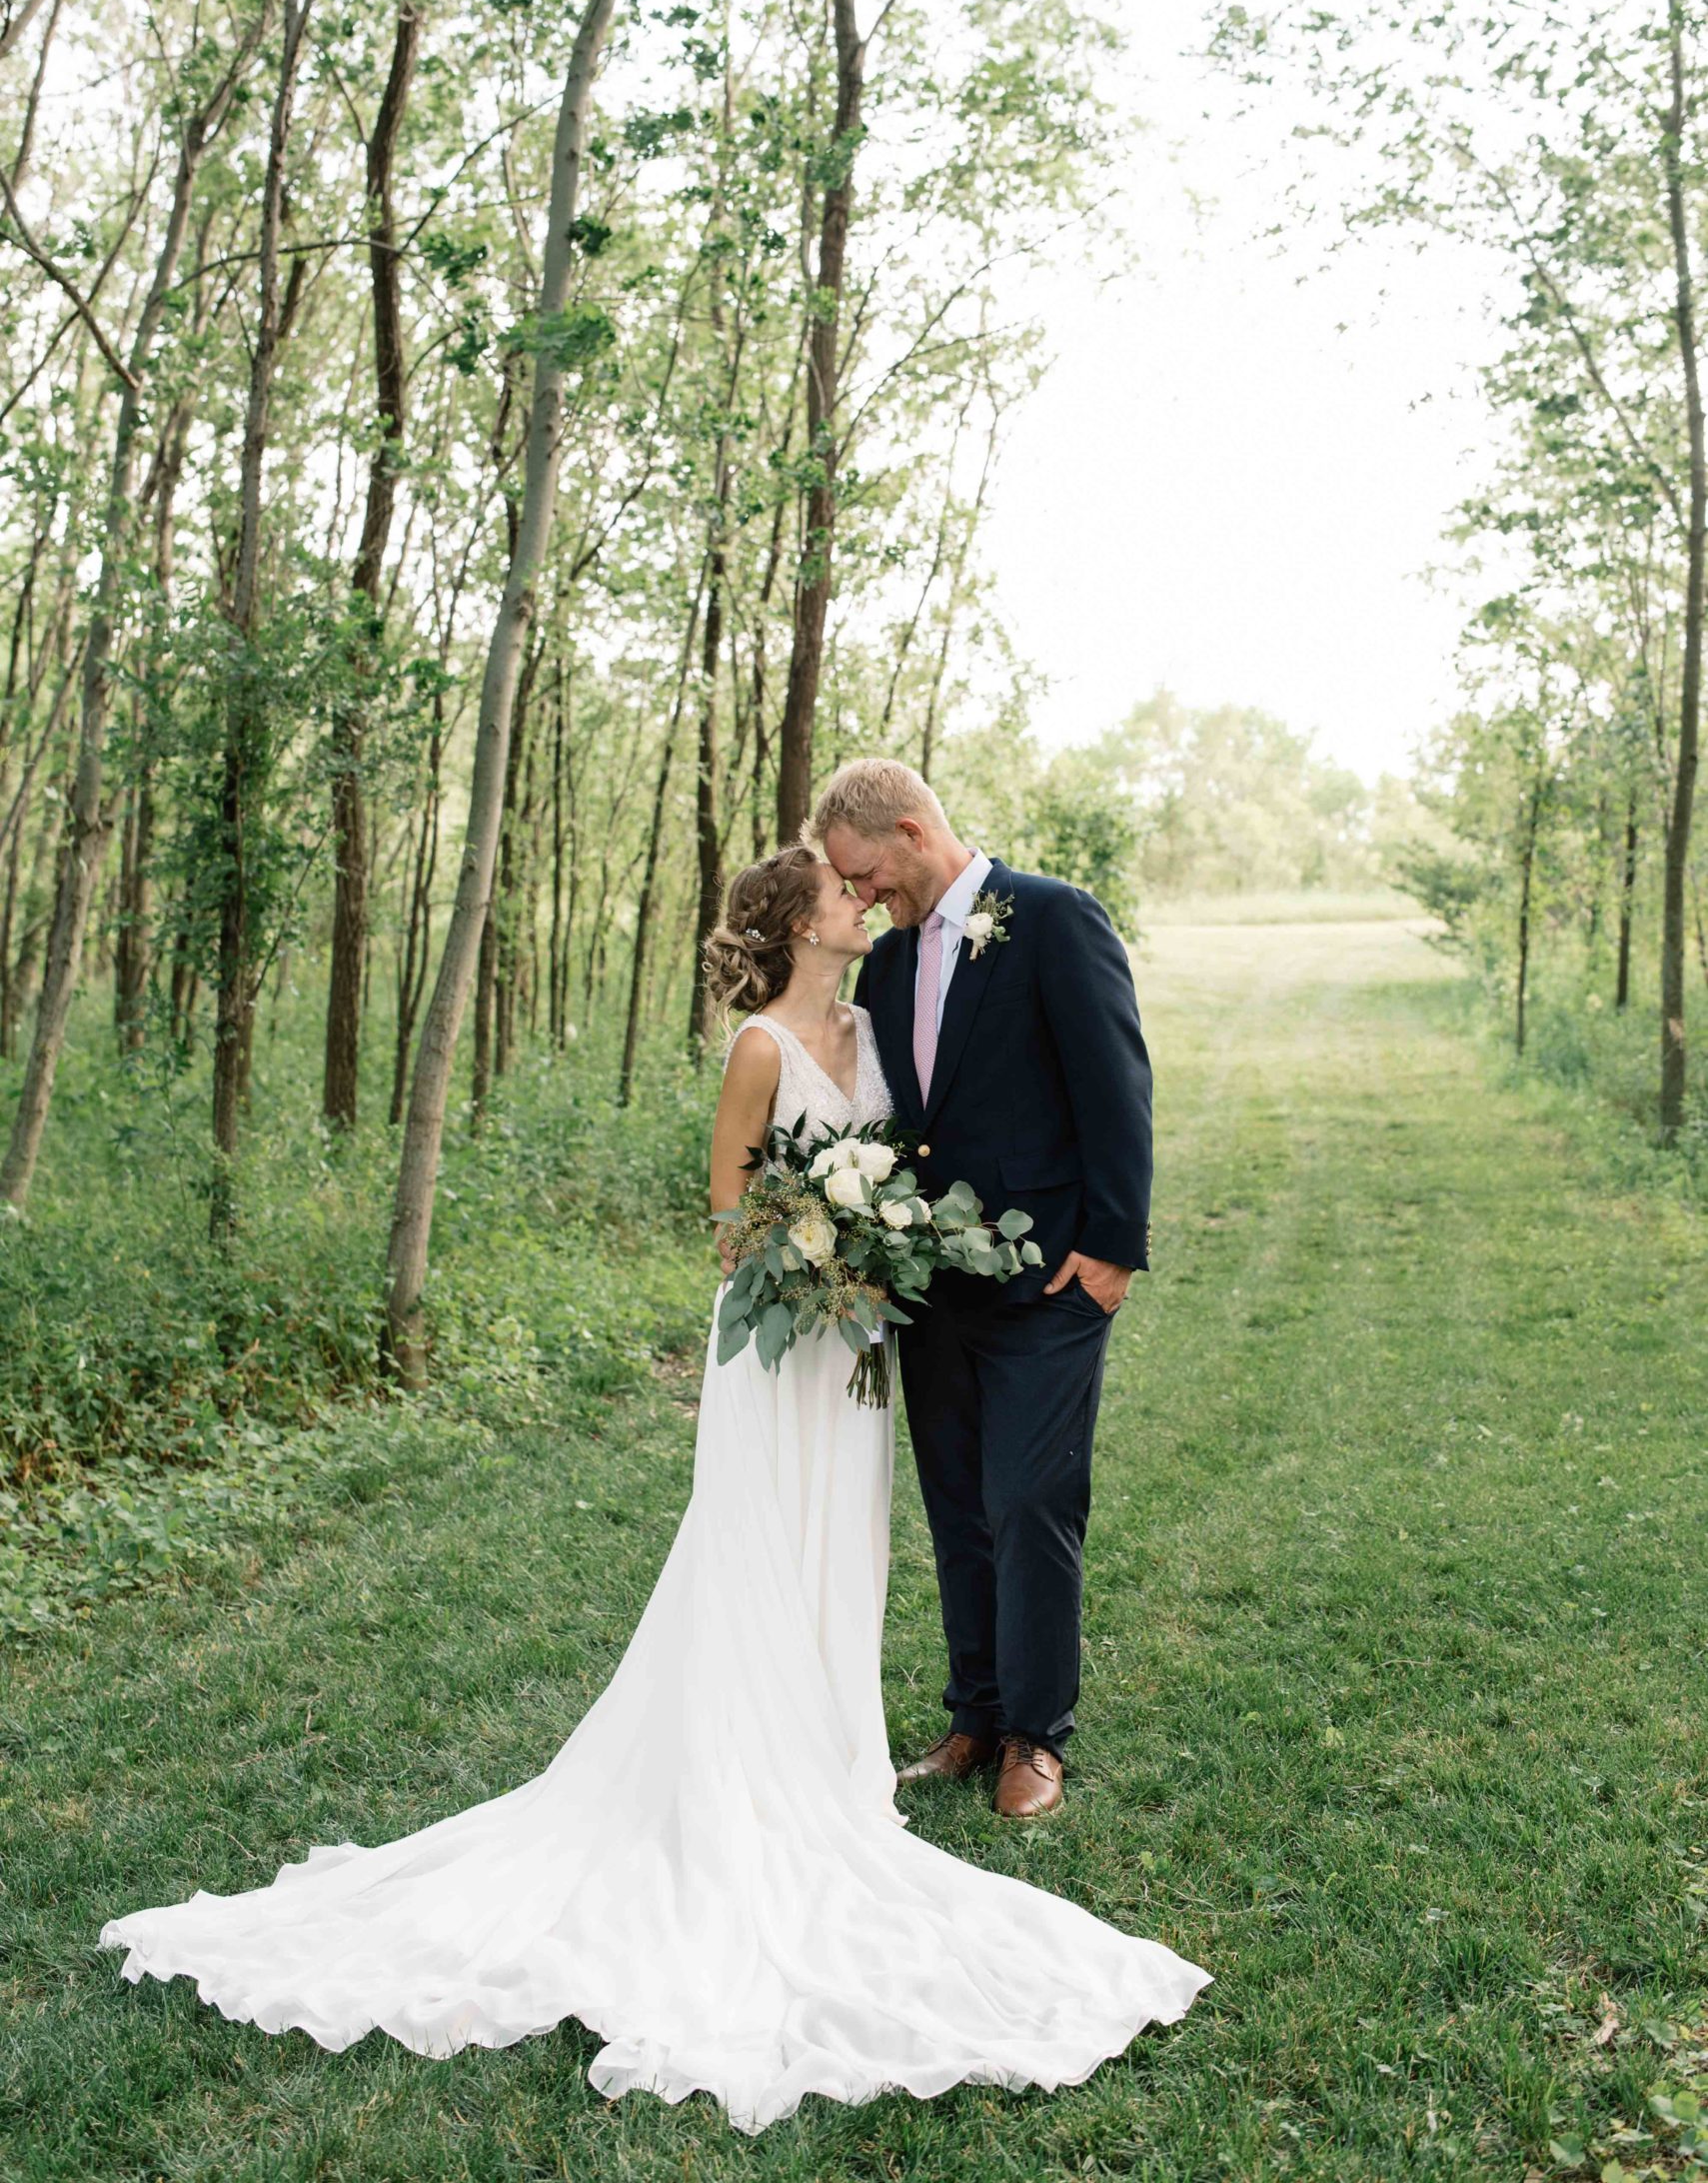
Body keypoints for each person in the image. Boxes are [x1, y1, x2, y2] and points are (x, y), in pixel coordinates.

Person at [100, 846, 1203, 2132]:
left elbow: (915, 1146)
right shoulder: (757, 1046)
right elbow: (730, 1218)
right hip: (787, 1334)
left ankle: (843, 1750)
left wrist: (883, 1241)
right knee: (755, 1544)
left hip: (858, 1336)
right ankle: (758, 1769)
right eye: (842, 893)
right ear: (799, 920)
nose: (866, 904)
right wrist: (823, 1246)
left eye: (863, 884)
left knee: (842, 1546)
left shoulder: (875, 1015)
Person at [815, 758, 1152, 1820]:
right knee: (957, 1505)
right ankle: (971, 1715)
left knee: (1027, 1498)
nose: (861, 897)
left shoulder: (1053, 919)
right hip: (934, 1286)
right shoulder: (883, 967)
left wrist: (1113, 1248)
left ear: (913, 833)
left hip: (1049, 1273)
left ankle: (1032, 1737)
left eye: (865, 873)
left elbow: (1115, 1082)